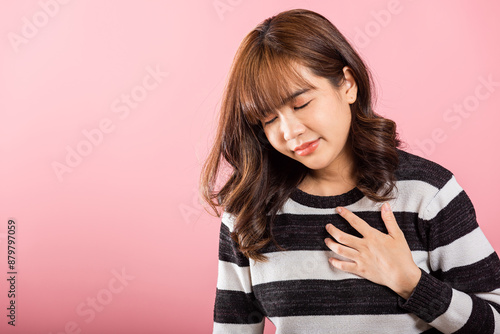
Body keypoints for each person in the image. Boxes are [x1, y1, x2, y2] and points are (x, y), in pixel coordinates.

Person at [200, 8, 500, 334]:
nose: (290, 131)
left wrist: (411, 282)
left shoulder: (427, 194)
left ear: (348, 84)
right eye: (269, 119)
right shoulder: (248, 213)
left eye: (301, 104)